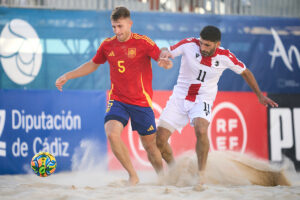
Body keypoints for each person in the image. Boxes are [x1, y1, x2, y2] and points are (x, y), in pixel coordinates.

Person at [55, 6, 172, 185]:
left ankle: (164, 178)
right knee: (111, 134)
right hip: (118, 99)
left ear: (129, 24)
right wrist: (67, 75)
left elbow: (161, 56)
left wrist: (165, 62)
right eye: (114, 27)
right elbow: (93, 64)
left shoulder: (143, 42)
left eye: (120, 26)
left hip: (141, 101)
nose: (117, 31)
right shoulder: (108, 45)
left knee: (151, 146)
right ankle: (133, 176)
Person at [156, 25, 278, 188]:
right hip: (180, 96)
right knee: (160, 140)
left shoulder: (225, 56)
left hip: (202, 99)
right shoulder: (189, 44)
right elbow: (168, 50)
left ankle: (201, 175)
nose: (203, 47)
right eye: (202, 43)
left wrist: (259, 95)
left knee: (200, 129)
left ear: (217, 44)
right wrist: (164, 53)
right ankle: (175, 170)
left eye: (207, 45)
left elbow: (246, 72)